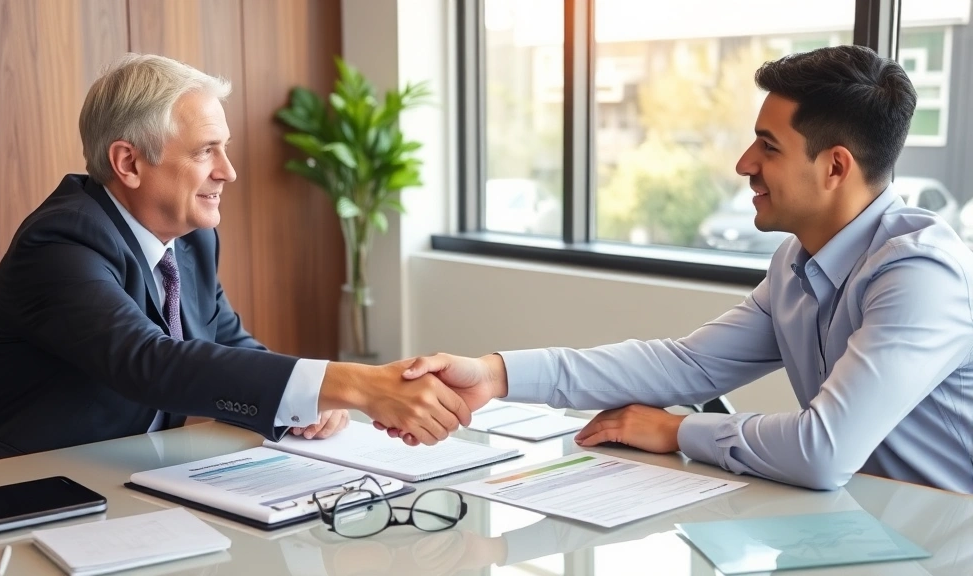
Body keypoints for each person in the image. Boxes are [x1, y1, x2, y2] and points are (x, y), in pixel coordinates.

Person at [389, 45, 973, 493]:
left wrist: (677, 432)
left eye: (768, 146)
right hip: (863, 522)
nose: (744, 163)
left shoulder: (919, 275)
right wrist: (495, 374)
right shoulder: (797, 262)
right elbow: (688, 363)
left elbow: (824, 451)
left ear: (835, 167)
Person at [0, 53, 470, 467]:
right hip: (11, 491)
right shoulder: (60, 242)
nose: (229, 171)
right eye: (205, 152)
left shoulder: (190, 238)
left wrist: (306, 401)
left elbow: (223, 338)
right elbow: (149, 362)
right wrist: (353, 383)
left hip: (129, 476)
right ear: (129, 162)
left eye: (225, 149)